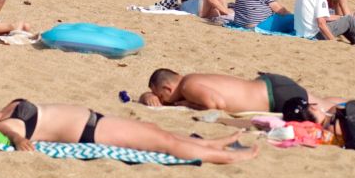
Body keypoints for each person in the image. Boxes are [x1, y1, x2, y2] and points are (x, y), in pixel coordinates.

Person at [0, 90, 257, 163]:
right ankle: (232, 156)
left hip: (96, 121)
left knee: (157, 132)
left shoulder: (9, 108)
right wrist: (17, 141)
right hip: (92, 132)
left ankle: (215, 144)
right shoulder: (5, 124)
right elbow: (12, 133)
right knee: (164, 145)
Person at [141, 69, 336, 115]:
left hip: (274, 97)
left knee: (325, 108)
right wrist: (146, 96)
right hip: (269, 85)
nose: (162, 101)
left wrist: (186, 104)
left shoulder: (187, 88)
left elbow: (217, 105)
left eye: (160, 96)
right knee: (325, 102)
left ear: (168, 88)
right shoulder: (191, 79)